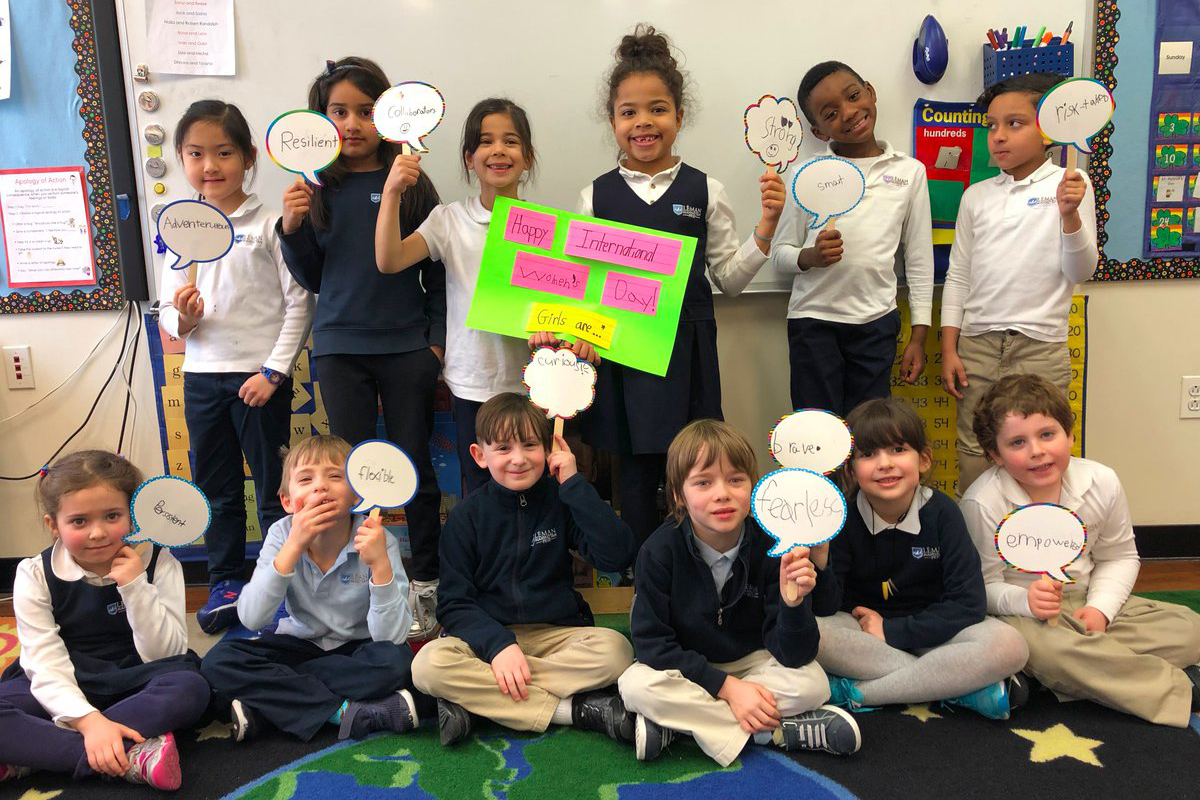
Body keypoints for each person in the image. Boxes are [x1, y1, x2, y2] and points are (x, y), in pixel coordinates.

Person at [578, 24, 786, 549]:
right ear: (613, 121)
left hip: (687, 349)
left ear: (678, 115)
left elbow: (728, 282)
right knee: (633, 470)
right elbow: (583, 291)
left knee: (693, 462)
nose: (643, 122)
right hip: (624, 351)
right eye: (629, 112)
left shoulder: (705, 189)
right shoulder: (593, 198)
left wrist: (765, 228)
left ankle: (694, 567)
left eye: (657, 108)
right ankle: (642, 577)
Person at [279, 57, 446, 638]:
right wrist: (292, 229)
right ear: (321, 119)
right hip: (340, 348)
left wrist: (435, 342)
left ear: (389, 115)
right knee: (350, 473)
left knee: (414, 464)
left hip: (406, 347)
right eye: (338, 111)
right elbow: (314, 279)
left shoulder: (410, 178)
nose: (351, 123)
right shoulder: (317, 186)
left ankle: (425, 580)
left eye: (366, 111)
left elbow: (440, 268)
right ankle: (356, 583)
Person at [375, 98, 597, 497]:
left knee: (536, 490)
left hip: (534, 383)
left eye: (511, 142)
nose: (498, 150)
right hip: (472, 383)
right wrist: (392, 192)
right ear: (469, 158)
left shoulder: (551, 228)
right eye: (485, 142)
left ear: (527, 158)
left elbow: (568, 305)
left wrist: (569, 333)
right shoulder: (448, 220)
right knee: (481, 492)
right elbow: (389, 260)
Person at [963, 374, 1200, 727]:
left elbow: (1118, 556)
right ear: (995, 455)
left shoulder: (1101, 481)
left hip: (1085, 600)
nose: (1037, 451)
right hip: (1022, 615)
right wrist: (1025, 602)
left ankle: (1047, 679)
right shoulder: (982, 503)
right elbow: (980, 590)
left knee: (1189, 628)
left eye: (1047, 434)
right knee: (1038, 648)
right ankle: (1177, 689)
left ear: (1070, 435)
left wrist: (1100, 611)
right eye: (1017, 442)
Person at [619, 419, 860, 765]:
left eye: (736, 480)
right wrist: (728, 689)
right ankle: (773, 732)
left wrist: (794, 606)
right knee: (634, 685)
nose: (723, 493)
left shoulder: (774, 546)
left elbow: (795, 655)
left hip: (752, 663)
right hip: (686, 668)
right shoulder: (658, 551)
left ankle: (681, 727)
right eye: (703, 482)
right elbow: (652, 646)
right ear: (678, 496)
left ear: (753, 486)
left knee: (813, 683)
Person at [159, 99, 314, 635]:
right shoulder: (177, 231)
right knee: (218, 487)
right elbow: (169, 318)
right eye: (196, 153)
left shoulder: (271, 224)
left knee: (276, 485)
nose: (210, 166)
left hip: (260, 381)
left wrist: (272, 373)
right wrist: (183, 318)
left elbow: (299, 303)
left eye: (224, 152)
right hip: (202, 378)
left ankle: (282, 579)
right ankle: (226, 580)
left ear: (249, 157)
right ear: (181, 159)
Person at [410, 393, 636, 747]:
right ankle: (573, 710)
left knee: (617, 650)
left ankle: (480, 704)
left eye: (530, 445)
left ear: (548, 450)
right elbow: (454, 603)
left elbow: (617, 555)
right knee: (427, 665)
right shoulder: (465, 518)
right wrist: (499, 647)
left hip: (556, 636)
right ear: (479, 456)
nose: (518, 459)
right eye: (503, 449)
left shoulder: (562, 498)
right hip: (486, 641)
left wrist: (575, 485)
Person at [0, 451, 209, 790]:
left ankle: (38, 755)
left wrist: (135, 586)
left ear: (133, 515)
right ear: (54, 525)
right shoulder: (35, 573)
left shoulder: (161, 563)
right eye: (79, 521)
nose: (97, 533)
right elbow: (44, 663)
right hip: (63, 682)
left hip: (137, 678)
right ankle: (131, 757)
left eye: (112, 516)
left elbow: (166, 654)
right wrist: (88, 721)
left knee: (191, 688)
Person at [809, 398, 1028, 719]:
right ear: (851, 470)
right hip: (862, 637)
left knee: (1010, 645)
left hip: (936, 632)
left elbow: (968, 604)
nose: (885, 463)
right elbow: (827, 608)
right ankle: (961, 688)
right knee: (810, 631)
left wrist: (893, 631)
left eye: (898, 450)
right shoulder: (839, 517)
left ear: (923, 460)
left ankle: (856, 694)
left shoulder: (943, 512)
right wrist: (822, 562)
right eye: (868, 454)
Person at [200, 435, 426, 742]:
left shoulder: (378, 539)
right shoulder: (282, 534)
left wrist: (380, 568)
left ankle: (269, 707)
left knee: (397, 662)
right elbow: (252, 618)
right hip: (299, 644)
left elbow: (392, 637)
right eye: (305, 479)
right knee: (218, 661)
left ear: (356, 496)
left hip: (357, 649)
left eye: (335, 476)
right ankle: (343, 712)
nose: (320, 486)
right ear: (288, 502)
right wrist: (292, 548)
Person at [940, 73, 1098, 495]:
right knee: (976, 448)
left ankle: (1039, 543)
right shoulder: (977, 196)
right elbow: (958, 275)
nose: (998, 136)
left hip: (1039, 345)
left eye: (1015, 123)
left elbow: (1081, 271)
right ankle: (978, 551)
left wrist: (1070, 215)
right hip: (977, 343)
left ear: (1048, 131)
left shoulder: (1071, 186)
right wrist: (950, 347)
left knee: (1039, 452)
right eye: (992, 125)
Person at [771, 61, 933, 418]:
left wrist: (918, 337)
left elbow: (920, 259)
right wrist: (810, 257)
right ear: (817, 130)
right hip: (813, 324)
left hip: (876, 322)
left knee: (869, 434)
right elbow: (779, 254)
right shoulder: (804, 175)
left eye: (854, 96)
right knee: (817, 430)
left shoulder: (909, 172)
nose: (849, 113)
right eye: (831, 113)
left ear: (870, 92)